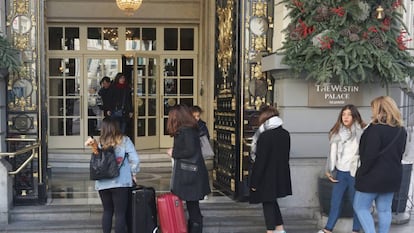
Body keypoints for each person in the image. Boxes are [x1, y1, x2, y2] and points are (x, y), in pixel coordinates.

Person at [353, 96, 407, 233]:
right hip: (392, 176)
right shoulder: (401, 130)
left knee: (360, 207)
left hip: (371, 177)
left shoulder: (374, 130)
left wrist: (361, 173)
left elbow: (369, 156)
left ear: (379, 109)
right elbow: (400, 154)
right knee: (384, 210)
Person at [85, 117, 140, 233]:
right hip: (121, 182)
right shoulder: (124, 140)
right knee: (120, 214)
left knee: (107, 211)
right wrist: (133, 173)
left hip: (103, 183)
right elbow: (135, 159)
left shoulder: (100, 143)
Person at [318, 104, 366, 233]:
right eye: (344, 114)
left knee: (356, 203)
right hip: (340, 172)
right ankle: (328, 229)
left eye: (349, 114)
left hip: (354, 173)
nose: (346, 117)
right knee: (335, 201)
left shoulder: (361, 133)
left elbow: (365, 153)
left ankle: (356, 230)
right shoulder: (337, 132)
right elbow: (332, 153)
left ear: (355, 116)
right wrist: (329, 170)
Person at [166, 105, 211, 233]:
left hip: (190, 175)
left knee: (193, 208)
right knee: (193, 207)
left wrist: (174, 152)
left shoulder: (186, 130)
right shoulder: (189, 129)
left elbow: (189, 150)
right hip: (192, 173)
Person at [249, 105, 292, 233]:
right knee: (272, 202)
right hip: (280, 174)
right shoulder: (285, 133)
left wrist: (254, 182)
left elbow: (261, 161)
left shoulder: (265, 135)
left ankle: (270, 231)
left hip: (266, 176)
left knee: (267, 203)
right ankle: (280, 228)